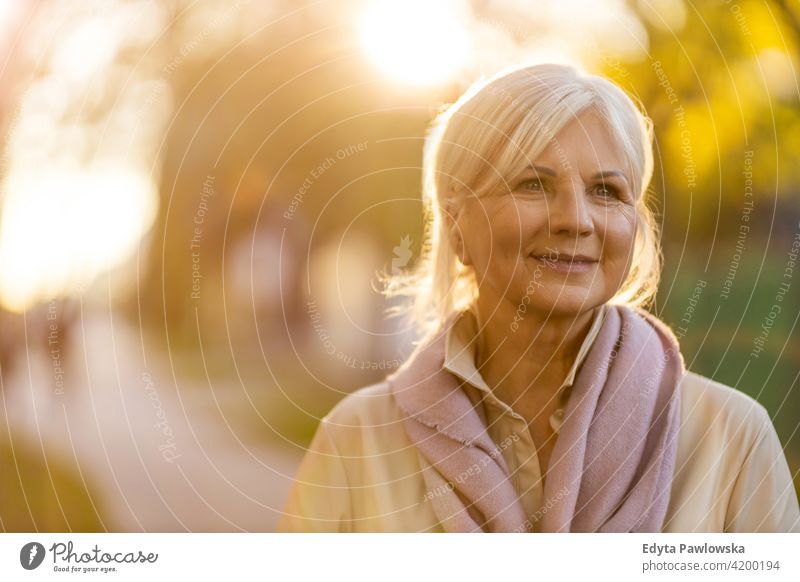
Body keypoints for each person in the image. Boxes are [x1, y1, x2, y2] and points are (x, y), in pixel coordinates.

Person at [277, 63, 800, 532]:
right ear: (458, 225)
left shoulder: (731, 437)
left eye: (606, 191)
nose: (575, 219)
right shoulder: (356, 442)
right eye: (533, 184)